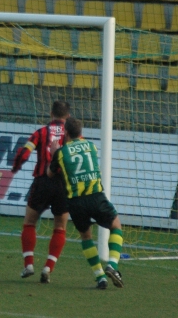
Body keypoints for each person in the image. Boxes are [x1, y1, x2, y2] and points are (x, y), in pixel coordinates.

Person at [48, 117, 124, 290]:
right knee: (115, 225)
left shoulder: (61, 153)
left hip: (75, 202)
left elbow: (50, 174)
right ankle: (112, 264)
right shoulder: (91, 146)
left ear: (66, 132)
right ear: (81, 133)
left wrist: (54, 153)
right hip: (95, 195)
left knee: (86, 236)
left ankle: (100, 277)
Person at [10, 100, 71, 283]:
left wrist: (16, 167)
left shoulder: (41, 132)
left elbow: (24, 153)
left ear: (51, 114)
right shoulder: (71, 135)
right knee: (60, 227)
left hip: (42, 182)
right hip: (63, 184)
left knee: (29, 222)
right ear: (67, 117)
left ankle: (28, 264)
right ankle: (47, 268)